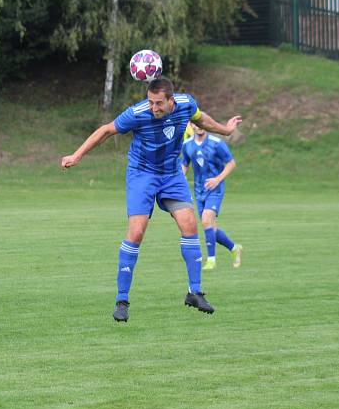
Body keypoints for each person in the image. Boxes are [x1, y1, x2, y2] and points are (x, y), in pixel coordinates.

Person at [61, 77, 242, 322]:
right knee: (136, 233)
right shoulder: (137, 113)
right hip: (142, 175)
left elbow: (202, 120)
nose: (153, 107)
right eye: (150, 102)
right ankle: (122, 300)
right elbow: (106, 130)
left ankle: (195, 292)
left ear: (171, 101)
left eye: (158, 103)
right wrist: (77, 155)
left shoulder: (186, 104)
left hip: (171, 174)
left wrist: (226, 130)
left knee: (190, 224)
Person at [181, 123, 242, 270]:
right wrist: (177, 183)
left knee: (206, 219)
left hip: (216, 189)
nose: (199, 126)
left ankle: (211, 260)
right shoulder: (187, 145)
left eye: (201, 123)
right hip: (199, 191)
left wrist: (217, 179)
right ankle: (234, 248)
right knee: (210, 227)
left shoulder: (217, 143)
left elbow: (231, 163)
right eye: (195, 124)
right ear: (191, 126)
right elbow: (184, 165)